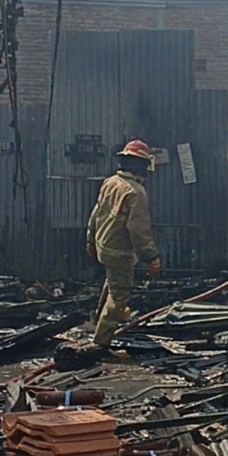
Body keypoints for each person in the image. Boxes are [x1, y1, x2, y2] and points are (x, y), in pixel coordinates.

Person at [86, 140, 162, 348]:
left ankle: (96, 322)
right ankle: (100, 342)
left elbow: (96, 213)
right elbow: (139, 230)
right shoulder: (135, 192)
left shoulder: (110, 182)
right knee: (119, 296)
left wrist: (90, 239)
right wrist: (152, 257)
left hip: (103, 247)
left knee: (112, 284)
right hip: (119, 252)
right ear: (141, 166)